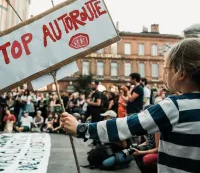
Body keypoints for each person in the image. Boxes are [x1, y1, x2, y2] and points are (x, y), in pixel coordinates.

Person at [61, 34, 200, 173]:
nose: (164, 73)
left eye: (166, 69)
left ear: (180, 73)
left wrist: (81, 128)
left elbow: (125, 126)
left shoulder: (175, 107)